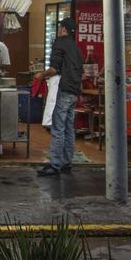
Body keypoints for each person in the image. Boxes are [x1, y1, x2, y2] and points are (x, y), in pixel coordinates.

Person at [36, 17, 83, 177]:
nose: (58, 30)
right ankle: (66, 163)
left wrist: (41, 75)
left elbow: (54, 69)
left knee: (57, 128)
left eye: (59, 28)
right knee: (69, 129)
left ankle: (54, 165)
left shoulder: (60, 42)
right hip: (74, 92)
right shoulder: (76, 47)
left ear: (63, 29)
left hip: (65, 91)